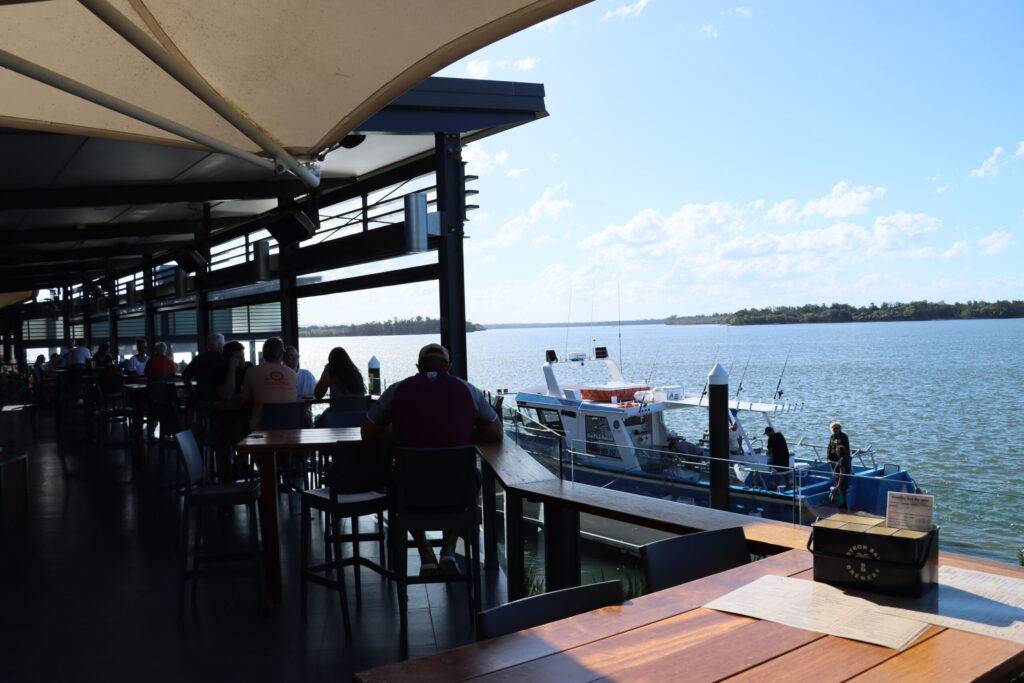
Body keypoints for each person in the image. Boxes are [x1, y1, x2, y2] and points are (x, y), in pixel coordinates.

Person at [362, 343, 502, 575]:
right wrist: (467, 432)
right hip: (456, 493)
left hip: (411, 493)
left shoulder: (397, 390)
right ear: (449, 366)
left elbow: (367, 431)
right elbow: (496, 433)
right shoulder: (467, 390)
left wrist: (396, 432)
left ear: (418, 366)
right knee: (468, 479)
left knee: (400, 480)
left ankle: (425, 552)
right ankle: (447, 551)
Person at [239, 337, 298, 431]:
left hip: (261, 429)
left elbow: (245, 399)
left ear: (264, 353)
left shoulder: (251, 371)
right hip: (289, 428)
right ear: (282, 354)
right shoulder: (293, 374)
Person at [183, 333, 228, 403]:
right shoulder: (225, 359)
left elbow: (185, 376)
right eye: (223, 344)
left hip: (203, 399)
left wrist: (193, 393)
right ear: (220, 345)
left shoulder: (198, 359)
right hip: (221, 399)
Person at [829, 443, 853, 511]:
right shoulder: (846, 458)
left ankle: (843, 513)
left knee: (841, 501)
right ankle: (844, 511)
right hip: (845, 482)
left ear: (838, 452)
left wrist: (838, 485)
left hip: (842, 484)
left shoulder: (842, 460)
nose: (836, 453)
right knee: (843, 499)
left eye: (836, 451)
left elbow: (842, 473)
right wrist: (833, 463)